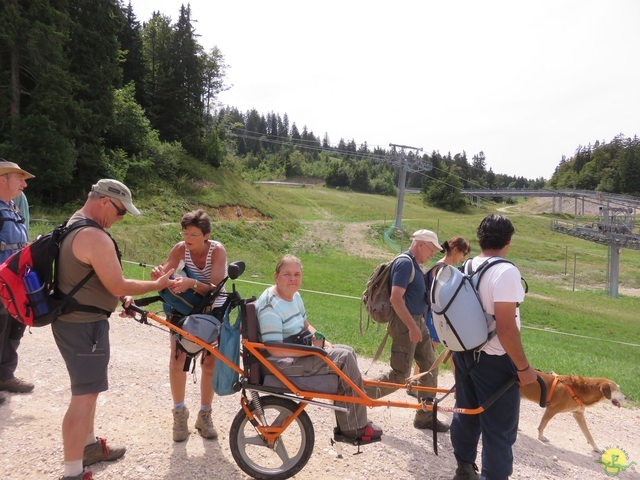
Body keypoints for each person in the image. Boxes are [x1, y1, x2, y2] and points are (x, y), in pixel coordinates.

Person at [52, 179, 176, 480]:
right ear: (105, 201)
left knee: (88, 392)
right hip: (84, 327)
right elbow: (118, 282)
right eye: (120, 212)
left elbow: (98, 277)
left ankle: (89, 445)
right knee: (83, 397)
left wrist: (119, 297)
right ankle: (72, 472)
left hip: (74, 322)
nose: (120, 219)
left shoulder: (75, 223)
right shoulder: (93, 236)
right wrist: (157, 285)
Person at [256, 254, 383, 443]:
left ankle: (352, 418)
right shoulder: (269, 306)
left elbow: (305, 325)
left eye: (297, 274)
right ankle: (354, 427)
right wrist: (313, 352)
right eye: (287, 274)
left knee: (347, 350)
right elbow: (275, 350)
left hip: (297, 351)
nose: (293, 279)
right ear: (276, 276)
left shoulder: (294, 296)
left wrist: (324, 341)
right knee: (344, 358)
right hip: (279, 363)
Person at [449, 214, 537, 480]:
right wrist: (524, 368)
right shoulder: (506, 271)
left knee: (465, 411)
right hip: (495, 360)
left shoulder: (466, 266)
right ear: (508, 241)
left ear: (480, 238)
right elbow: (506, 327)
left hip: (463, 353)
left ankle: (464, 467)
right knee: (499, 428)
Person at [150, 209, 227, 442]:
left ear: (206, 235)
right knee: (177, 359)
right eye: (185, 232)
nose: (188, 238)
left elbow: (215, 286)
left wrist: (191, 283)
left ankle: (205, 415)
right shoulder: (179, 248)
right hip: (182, 308)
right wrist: (158, 276)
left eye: (193, 234)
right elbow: (165, 273)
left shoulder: (217, 250)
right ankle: (179, 413)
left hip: (213, 307)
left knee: (210, 361)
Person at [364, 229, 449, 432]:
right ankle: (356, 396)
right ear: (421, 244)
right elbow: (395, 298)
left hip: (417, 322)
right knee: (400, 374)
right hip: (407, 324)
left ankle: (425, 416)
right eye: (431, 249)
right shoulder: (404, 263)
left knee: (430, 365)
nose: (432, 254)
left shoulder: (415, 264)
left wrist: (417, 325)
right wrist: (411, 326)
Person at [0, 161, 34, 405]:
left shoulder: (13, 208)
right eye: (19, 178)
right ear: (3, 179)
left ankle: (5, 376)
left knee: (13, 329)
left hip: (14, 285)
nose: (24, 183)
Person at [424, 236, 471, 349]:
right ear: (455, 250)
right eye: (463, 253)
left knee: (431, 351)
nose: (463, 258)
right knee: (430, 351)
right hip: (434, 315)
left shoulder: (443, 267)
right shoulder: (443, 269)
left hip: (435, 314)